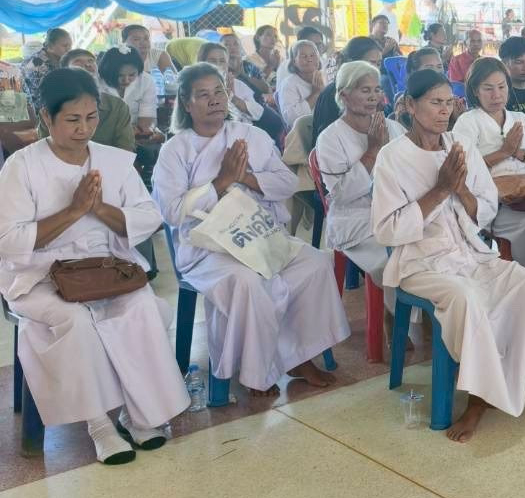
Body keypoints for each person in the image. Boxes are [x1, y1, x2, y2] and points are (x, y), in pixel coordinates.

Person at [0, 69, 188, 465]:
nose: (83, 129)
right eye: (72, 119)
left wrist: (99, 208)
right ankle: (99, 424)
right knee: (79, 322)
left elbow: (148, 217)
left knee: (142, 308)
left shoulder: (115, 162)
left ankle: (137, 416)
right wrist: (73, 212)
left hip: (106, 268)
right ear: (45, 117)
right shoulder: (22, 166)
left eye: (91, 118)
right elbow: (8, 241)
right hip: (39, 274)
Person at [371, 69, 525, 441]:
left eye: (448, 103)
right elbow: (387, 230)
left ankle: (508, 375)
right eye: (434, 103)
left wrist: (460, 190)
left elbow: (485, 209)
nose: (443, 111)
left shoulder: (461, 146)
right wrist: (440, 191)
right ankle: (478, 398)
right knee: (465, 297)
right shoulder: (392, 157)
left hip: (470, 252)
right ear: (409, 106)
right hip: (419, 262)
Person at [153, 63, 349, 396]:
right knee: (248, 282)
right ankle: (256, 371)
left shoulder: (250, 136)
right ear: (186, 104)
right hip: (208, 249)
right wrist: (222, 181)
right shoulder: (175, 151)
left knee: (315, 263)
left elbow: (286, 183)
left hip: (261, 235)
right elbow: (171, 211)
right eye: (203, 95)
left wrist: (246, 178)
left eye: (219, 91)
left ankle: (299, 356)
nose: (214, 100)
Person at [452, 57, 525, 296]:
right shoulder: (468, 122)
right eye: (488, 88)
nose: (496, 94)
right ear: (476, 90)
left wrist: (520, 153)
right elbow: (463, 171)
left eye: (502, 86)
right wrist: (503, 153)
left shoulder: (521, 120)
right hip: (493, 198)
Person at [316, 61, 405, 353]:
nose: (373, 96)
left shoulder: (392, 126)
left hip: (395, 211)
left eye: (377, 89)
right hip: (355, 220)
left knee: (428, 247)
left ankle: (420, 312)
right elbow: (341, 194)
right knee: (390, 260)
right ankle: (395, 316)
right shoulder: (330, 138)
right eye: (364, 90)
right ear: (343, 95)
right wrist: (373, 150)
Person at [39, 50, 136, 153]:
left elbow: (125, 150)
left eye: (90, 61)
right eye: (78, 62)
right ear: (64, 71)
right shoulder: (51, 106)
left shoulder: (117, 106)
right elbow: (46, 149)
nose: (87, 64)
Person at [310, 35, 384, 146]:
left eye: (378, 64)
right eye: (371, 63)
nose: (376, 69)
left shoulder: (376, 91)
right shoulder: (332, 94)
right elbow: (328, 143)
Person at [117, 25, 162, 136]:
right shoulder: (102, 78)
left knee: (156, 139)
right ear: (123, 42)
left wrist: (146, 130)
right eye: (136, 39)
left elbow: (148, 117)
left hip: (136, 131)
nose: (143, 43)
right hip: (107, 133)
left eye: (146, 38)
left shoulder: (146, 80)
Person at [274, 39, 325, 129]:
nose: (309, 59)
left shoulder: (325, 77)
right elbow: (291, 119)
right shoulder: (288, 84)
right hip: (306, 132)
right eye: (303, 56)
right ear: (294, 62)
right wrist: (315, 94)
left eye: (313, 55)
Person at [22, 27, 71, 105]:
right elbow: (47, 95)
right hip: (39, 109)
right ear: (51, 46)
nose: (69, 49)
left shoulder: (61, 59)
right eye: (65, 46)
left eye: (70, 45)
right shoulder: (36, 64)